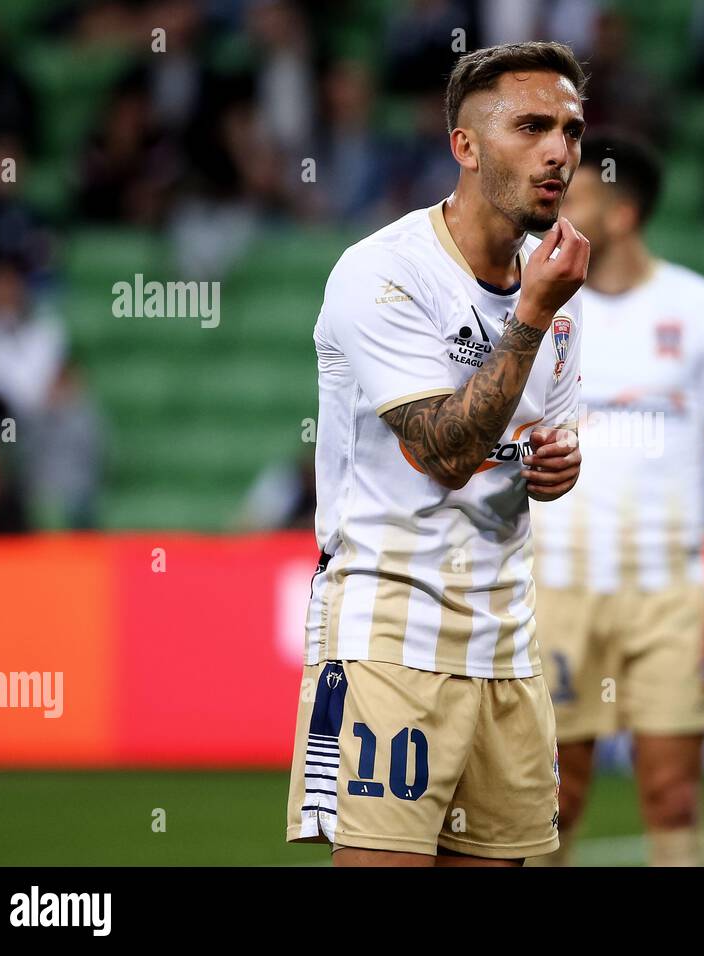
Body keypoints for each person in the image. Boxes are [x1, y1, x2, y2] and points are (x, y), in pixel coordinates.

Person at [285, 41, 590, 867]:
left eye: (570, 128)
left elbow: (531, 448)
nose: (559, 150)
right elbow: (444, 450)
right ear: (465, 144)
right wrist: (528, 314)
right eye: (531, 126)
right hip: (391, 634)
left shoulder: (556, 292)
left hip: (507, 646)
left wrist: (556, 469)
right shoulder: (382, 273)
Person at [528, 133, 704, 866]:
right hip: (557, 588)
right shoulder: (536, 306)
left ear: (623, 215)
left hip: (669, 594)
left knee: (672, 797)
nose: (560, 205)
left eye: (579, 195)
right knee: (551, 805)